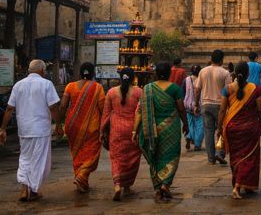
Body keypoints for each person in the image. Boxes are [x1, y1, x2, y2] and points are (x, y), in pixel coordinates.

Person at [0, 59, 62, 202]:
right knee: (39, 160)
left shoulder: (18, 85)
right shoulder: (46, 84)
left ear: (29, 70)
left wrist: (3, 129)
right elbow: (53, 108)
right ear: (42, 71)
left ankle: (24, 188)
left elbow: (9, 108)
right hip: (40, 129)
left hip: (24, 128)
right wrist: (58, 125)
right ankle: (32, 190)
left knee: (25, 158)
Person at [134, 61, 189, 202]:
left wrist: (135, 130)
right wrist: (186, 124)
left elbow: (140, 111)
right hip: (171, 129)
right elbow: (181, 109)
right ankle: (165, 184)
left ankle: (158, 189)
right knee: (172, 155)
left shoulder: (147, 88)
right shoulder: (175, 89)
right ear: (169, 74)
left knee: (155, 157)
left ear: (156, 73)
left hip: (151, 130)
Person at [218, 61, 261, 199]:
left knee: (236, 157)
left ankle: (242, 183)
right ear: (248, 74)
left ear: (234, 73)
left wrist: (219, 128)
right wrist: (260, 123)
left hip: (232, 128)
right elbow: (260, 109)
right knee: (249, 158)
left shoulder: (228, 89)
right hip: (250, 128)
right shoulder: (255, 89)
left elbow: (222, 111)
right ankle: (238, 185)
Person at [58, 62, 105, 193]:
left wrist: (58, 124)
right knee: (91, 153)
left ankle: (83, 182)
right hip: (91, 127)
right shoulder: (97, 87)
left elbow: (63, 106)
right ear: (93, 73)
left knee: (78, 153)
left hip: (72, 126)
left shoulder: (70, 86)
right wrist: (106, 125)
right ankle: (82, 175)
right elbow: (102, 107)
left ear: (80, 73)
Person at [101, 67, 142, 200]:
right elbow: (141, 113)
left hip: (116, 130)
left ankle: (117, 185)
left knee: (116, 158)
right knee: (132, 158)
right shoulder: (138, 92)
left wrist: (103, 130)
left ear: (120, 77)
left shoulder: (111, 92)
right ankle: (127, 187)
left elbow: (106, 113)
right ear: (133, 78)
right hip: (133, 129)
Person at [195, 49, 230, 165]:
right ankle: (220, 153)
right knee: (222, 129)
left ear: (211, 59)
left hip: (205, 104)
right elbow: (228, 91)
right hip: (220, 105)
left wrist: (196, 104)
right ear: (221, 60)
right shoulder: (225, 73)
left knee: (208, 132)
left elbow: (197, 89)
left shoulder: (203, 72)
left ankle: (211, 158)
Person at [183, 65, 203, 151]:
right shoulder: (202, 80)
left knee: (189, 123)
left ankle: (188, 136)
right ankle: (197, 144)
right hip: (200, 106)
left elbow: (182, 92)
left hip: (188, 105)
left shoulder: (186, 80)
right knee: (199, 125)